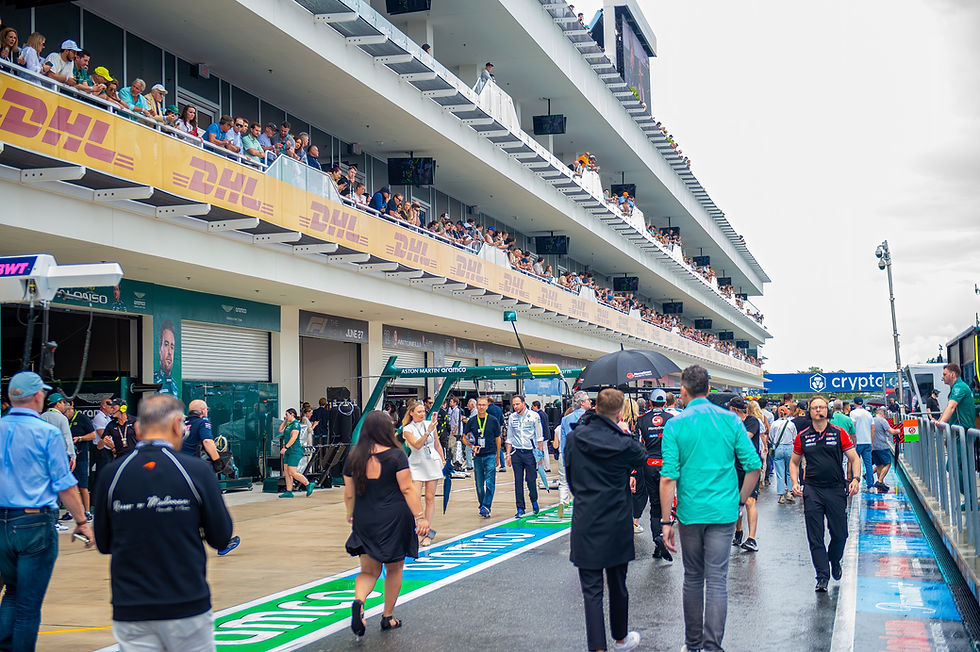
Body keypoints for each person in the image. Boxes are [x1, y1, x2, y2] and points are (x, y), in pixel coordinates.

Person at [94, 394, 233, 651]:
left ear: (138, 429)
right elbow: (221, 536)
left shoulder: (111, 474)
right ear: (178, 426)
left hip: (131, 606)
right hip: (186, 602)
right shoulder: (196, 471)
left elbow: (103, 543)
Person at [659, 365, 761, 652]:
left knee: (693, 577)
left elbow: (668, 478)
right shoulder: (730, 420)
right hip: (724, 510)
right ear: (708, 389)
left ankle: (692, 644)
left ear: (683, 390)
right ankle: (713, 646)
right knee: (717, 579)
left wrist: (666, 522)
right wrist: (740, 500)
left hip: (691, 511)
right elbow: (753, 466)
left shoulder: (675, 425)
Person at [0, 372, 94, 651]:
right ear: (37, 396)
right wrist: (81, 521)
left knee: (12, 592)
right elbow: (64, 484)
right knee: (28, 604)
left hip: (2, 521)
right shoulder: (46, 432)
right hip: (33, 521)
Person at [565, 388, 645, 652]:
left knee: (592, 590)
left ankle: (597, 647)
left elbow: (571, 479)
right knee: (618, 583)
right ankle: (620, 638)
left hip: (587, 517)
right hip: (617, 519)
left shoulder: (575, 438)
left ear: (595, 408)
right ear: (620, 413)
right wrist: (625, 431)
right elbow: (641, 457)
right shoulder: (623, 442)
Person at [344, 411, 428, 637]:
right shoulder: (396, 455)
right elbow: (407, 488)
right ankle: (387, 616)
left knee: (368, 571)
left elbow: (349, 493)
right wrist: (420, 516)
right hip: (394, 518)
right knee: (394, 568)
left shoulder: (353, 458)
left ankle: (359, 602)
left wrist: (351, 514)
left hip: (365, 518)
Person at [789, 397, 862, 592]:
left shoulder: (839, 433)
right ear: (809, 412)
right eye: (814, 408)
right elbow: (794, 462)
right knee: (815, 535)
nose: (818, 410)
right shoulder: (803, 436)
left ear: (827, 411)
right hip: (812, 489)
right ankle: (822, 576)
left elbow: (854, 458)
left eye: (821, 407)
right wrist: (795, 483)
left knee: (840, 533)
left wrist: (855, 479)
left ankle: (834, 559)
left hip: (836, 488)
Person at [634, 389, 673, 560]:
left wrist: (634, 471)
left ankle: (658, 540)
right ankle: (662, 538)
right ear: (665, 403)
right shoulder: (672, 419)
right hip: (667, 465)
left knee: (655, 503)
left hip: (649, 464)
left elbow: (637, 446)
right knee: (668, 504)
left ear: (650, 402)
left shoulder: (641, 420)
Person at [401, 400, 444, 546]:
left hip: (432, 462)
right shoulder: (407, 429)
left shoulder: (429, 424)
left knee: (430, 498)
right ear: (411, 413)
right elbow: (417, 445)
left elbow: (436, 444)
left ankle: (427, 532)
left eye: (423, 411)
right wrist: (427, 432)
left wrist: (443, 459)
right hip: (416, 464)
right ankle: (419, 528)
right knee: (416, 497)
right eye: (419, 412)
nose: (422, 414)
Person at [729, 396, 762, 552]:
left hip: (750, 468)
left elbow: (745, 437)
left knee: (749, 501)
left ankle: (752, 539)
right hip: (734, 467)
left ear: (734, 410)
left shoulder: (751, 421)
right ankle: (739, 531)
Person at [505, 395, 544, 517]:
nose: (515, 407)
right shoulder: (512, 417)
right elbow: (509, 437)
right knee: (518, 481)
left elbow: (539, 437)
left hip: (530, 452)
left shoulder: (534, 416)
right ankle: (520, 507)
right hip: (517, 453)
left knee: (531, 480)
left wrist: (540, 455)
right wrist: (508, 455)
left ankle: (534, 499)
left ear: (523, 403)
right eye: (514, 405)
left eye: (517, 404)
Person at [463, 396, 501, 518]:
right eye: (479, 405)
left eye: (483, 405)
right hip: (478, 456)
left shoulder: (493, 420)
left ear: (487, 406)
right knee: (479, 484)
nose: (481, 407)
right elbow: (464, 437)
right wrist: (471, 446)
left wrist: (498, 456)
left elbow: (498, 438)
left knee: (490, 482)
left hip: (490, 454)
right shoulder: (472, 421)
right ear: (476, 406)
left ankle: (486, 506)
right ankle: (482, 504)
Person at [65, 400, 96, 521]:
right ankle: (69, 511)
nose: (65, 414)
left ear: (71, 409)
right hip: (67, 457)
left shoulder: (82, 418)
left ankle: (87, 512)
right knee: (68, 485)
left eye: (66, 411)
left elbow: (93, 435)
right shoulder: (63, 420)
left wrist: (80, 438)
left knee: (83, 485)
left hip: (81, 456)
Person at [558, 391, 591, 507]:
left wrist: (563, 456)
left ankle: (563, 504)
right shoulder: (590, 417)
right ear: (582, 403)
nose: (590, 401)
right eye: (588, 400)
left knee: (564, 482)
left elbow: (563, 440)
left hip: (569, 452)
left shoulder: (565, 419)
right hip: (585, 455)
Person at [278, 408, 314, 498]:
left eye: (287, 415)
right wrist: (285, 420)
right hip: (289, 451)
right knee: (286, 471)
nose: (286, 416)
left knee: (292, 472)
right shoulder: (289, 424)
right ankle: (289, 491)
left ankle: (308, 484)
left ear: (292, 414)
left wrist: (285, 447)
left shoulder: (296, 425)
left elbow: (293, 438)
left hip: (295, 450)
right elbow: (280, 430)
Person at [182, 400, 223, 471]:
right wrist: (217, 461)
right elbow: (207, 442)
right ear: (202, 411)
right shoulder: (203, 423)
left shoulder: (182, 423)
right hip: (193, 464)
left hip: (179, 461)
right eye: (207, 409)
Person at [769, 405, 798, 504]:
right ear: (787, 413)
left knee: (780, 472)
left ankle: (781, 495)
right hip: (789, 447)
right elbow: (795, 437)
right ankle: (789, 492)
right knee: (790, 471)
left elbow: (771, 436)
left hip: (778, 447)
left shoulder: (774, 424)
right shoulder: (791, 424)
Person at [848, 397, 875, 490]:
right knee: (868, 464)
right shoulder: (869, 414)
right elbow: (873, 429)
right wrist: (871, 442)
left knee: (854, 462)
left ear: (854, 404)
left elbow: (853, 427)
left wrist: (852, 440)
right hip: (867, 442)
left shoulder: (853, 413)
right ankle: (870, 484)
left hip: (857, 442)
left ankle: (853, 482)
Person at [872, 407, 900, 492]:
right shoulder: (882, 421)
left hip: (873, 446)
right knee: (887, 463)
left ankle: (881, 485)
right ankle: (880, 481)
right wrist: (898, 430)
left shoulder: (871, 420)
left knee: (879, 465)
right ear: (882, 414)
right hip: (882, 446)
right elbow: (891, 431)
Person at [154, 319, 179, 396]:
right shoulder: (153, 381)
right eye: (166, 345)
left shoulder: (174, 385)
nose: (169, 352)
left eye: (172, 347)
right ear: (160, 348)